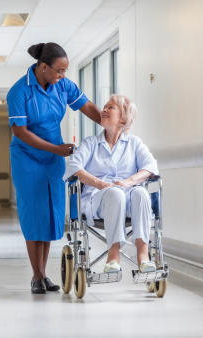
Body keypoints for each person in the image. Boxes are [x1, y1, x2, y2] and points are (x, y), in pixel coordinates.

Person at [7, 42, 101, 294]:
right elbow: (20, 132)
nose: (63, 76)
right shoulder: (20, 91)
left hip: (52, 158)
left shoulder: (63, 86)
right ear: (43, 67)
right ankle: (37, 275)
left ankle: (43, 274)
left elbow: (87, 106)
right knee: (33, 213)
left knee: (50, 214)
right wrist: (56, 149)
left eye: (65, 71)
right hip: (27, 157)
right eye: (60, 70)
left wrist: (110, 122)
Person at [63, 94, 159, 274]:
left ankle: (143, 256)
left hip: (130, 197)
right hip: (97, 200)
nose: (103, 110)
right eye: (104, 107)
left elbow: (151, 167)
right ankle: (113, 256)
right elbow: (74, 167)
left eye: (110, 107)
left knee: (141, 193)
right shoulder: (91, 143)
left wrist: (129, 181)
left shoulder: (134, 143)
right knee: (115, 193)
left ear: (123, 119)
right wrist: (98, 183)